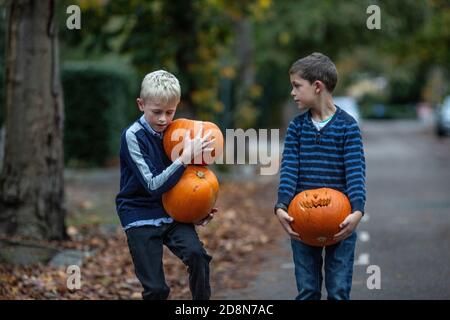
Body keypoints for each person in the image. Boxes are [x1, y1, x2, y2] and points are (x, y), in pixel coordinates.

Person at [116, 70, 217, 300]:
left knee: (198, 256)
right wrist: (183, 158)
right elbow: (152, 184)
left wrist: (198, 208)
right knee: (156, 289)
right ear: (141, 104)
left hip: (171, 211)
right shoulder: (132, 136)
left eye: (169, 112)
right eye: (157, 112)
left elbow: (191, 179)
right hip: (139, 213)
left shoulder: (178, 132)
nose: (163, 119)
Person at [274, 53, 366, 300]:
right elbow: (289, 170)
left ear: (317, 86)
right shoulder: (296, 127)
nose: (292, 92)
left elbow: (355, 172)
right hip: (302, 220)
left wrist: (357, 211)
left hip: (341, 221)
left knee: (338, 291)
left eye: (296, 86)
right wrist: (281, 206)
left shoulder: (347, 126)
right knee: (308, 290)